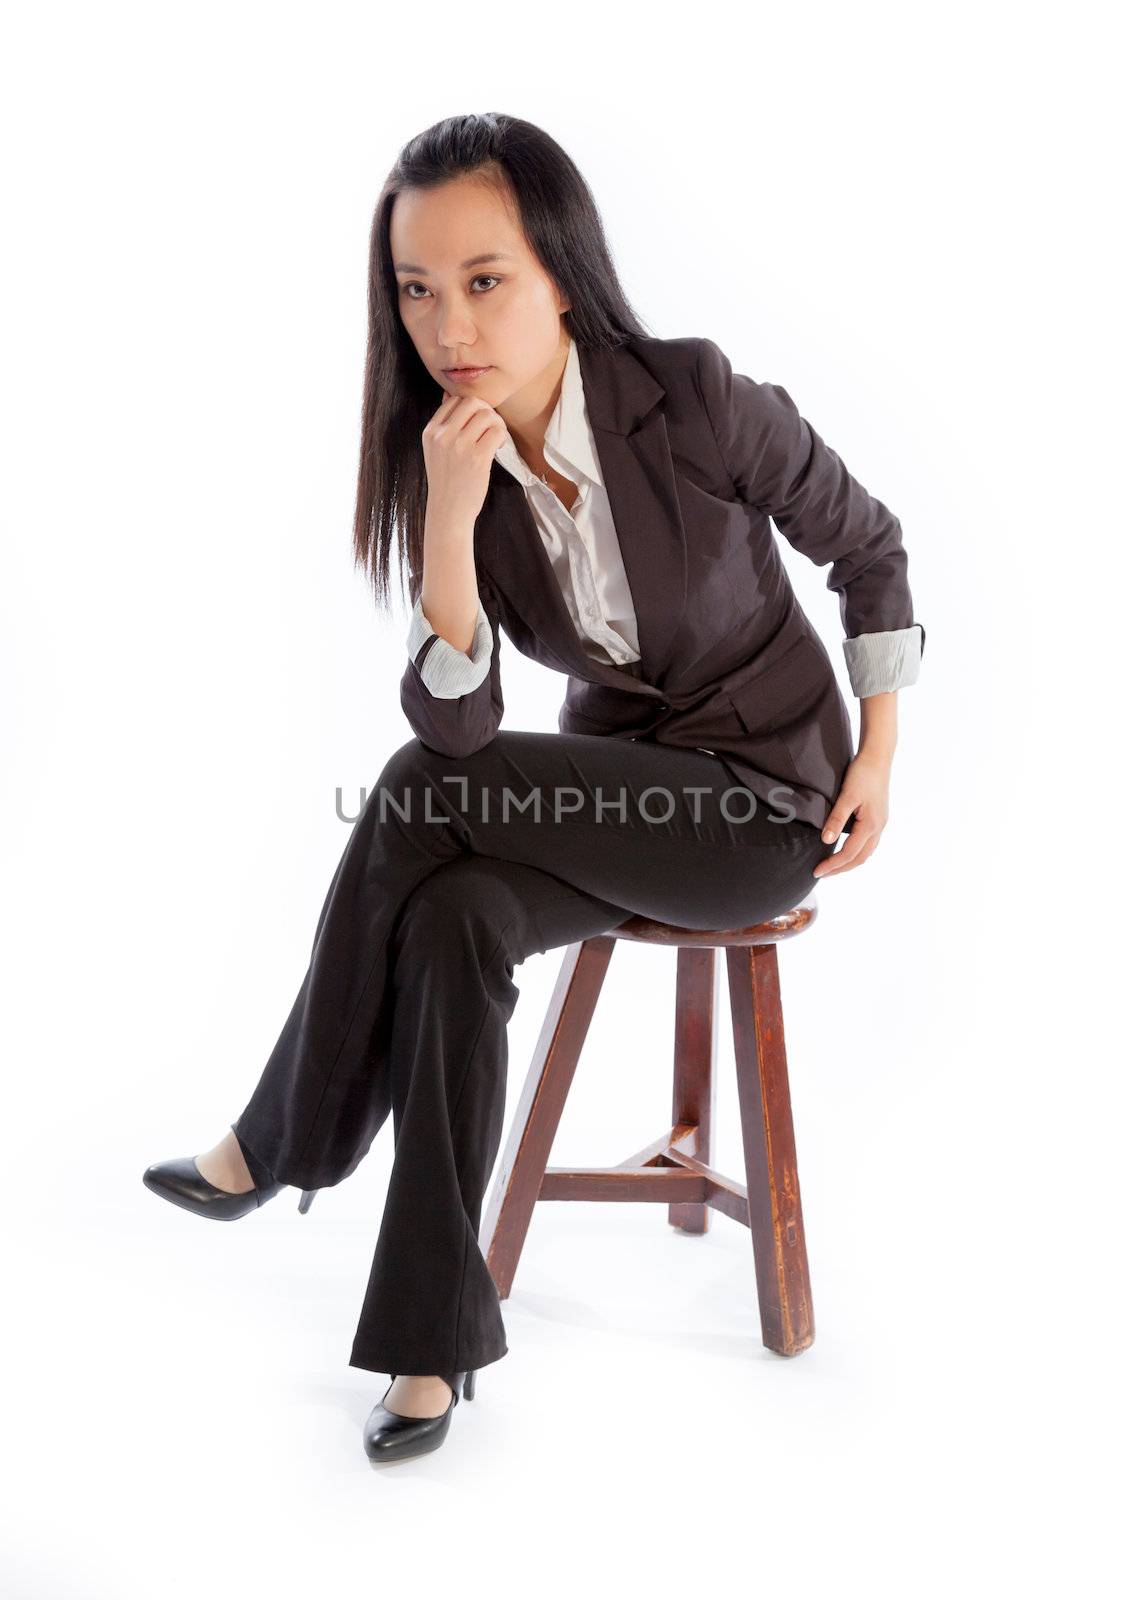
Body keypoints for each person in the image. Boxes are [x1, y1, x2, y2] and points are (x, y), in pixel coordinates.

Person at [142, 112, 925, 1465]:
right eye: (417, 288)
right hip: (619, 792)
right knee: (450, 918)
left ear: (562, 272)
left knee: (404, 799)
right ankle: (432, 1353)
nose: (450, 321)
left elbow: (870, 545)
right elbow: (464, 738)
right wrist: (445, 520)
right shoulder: (451, 459)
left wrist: (880, 749)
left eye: (486, 279)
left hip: (761, 804)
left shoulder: (693, 398)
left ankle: (287, 1136)